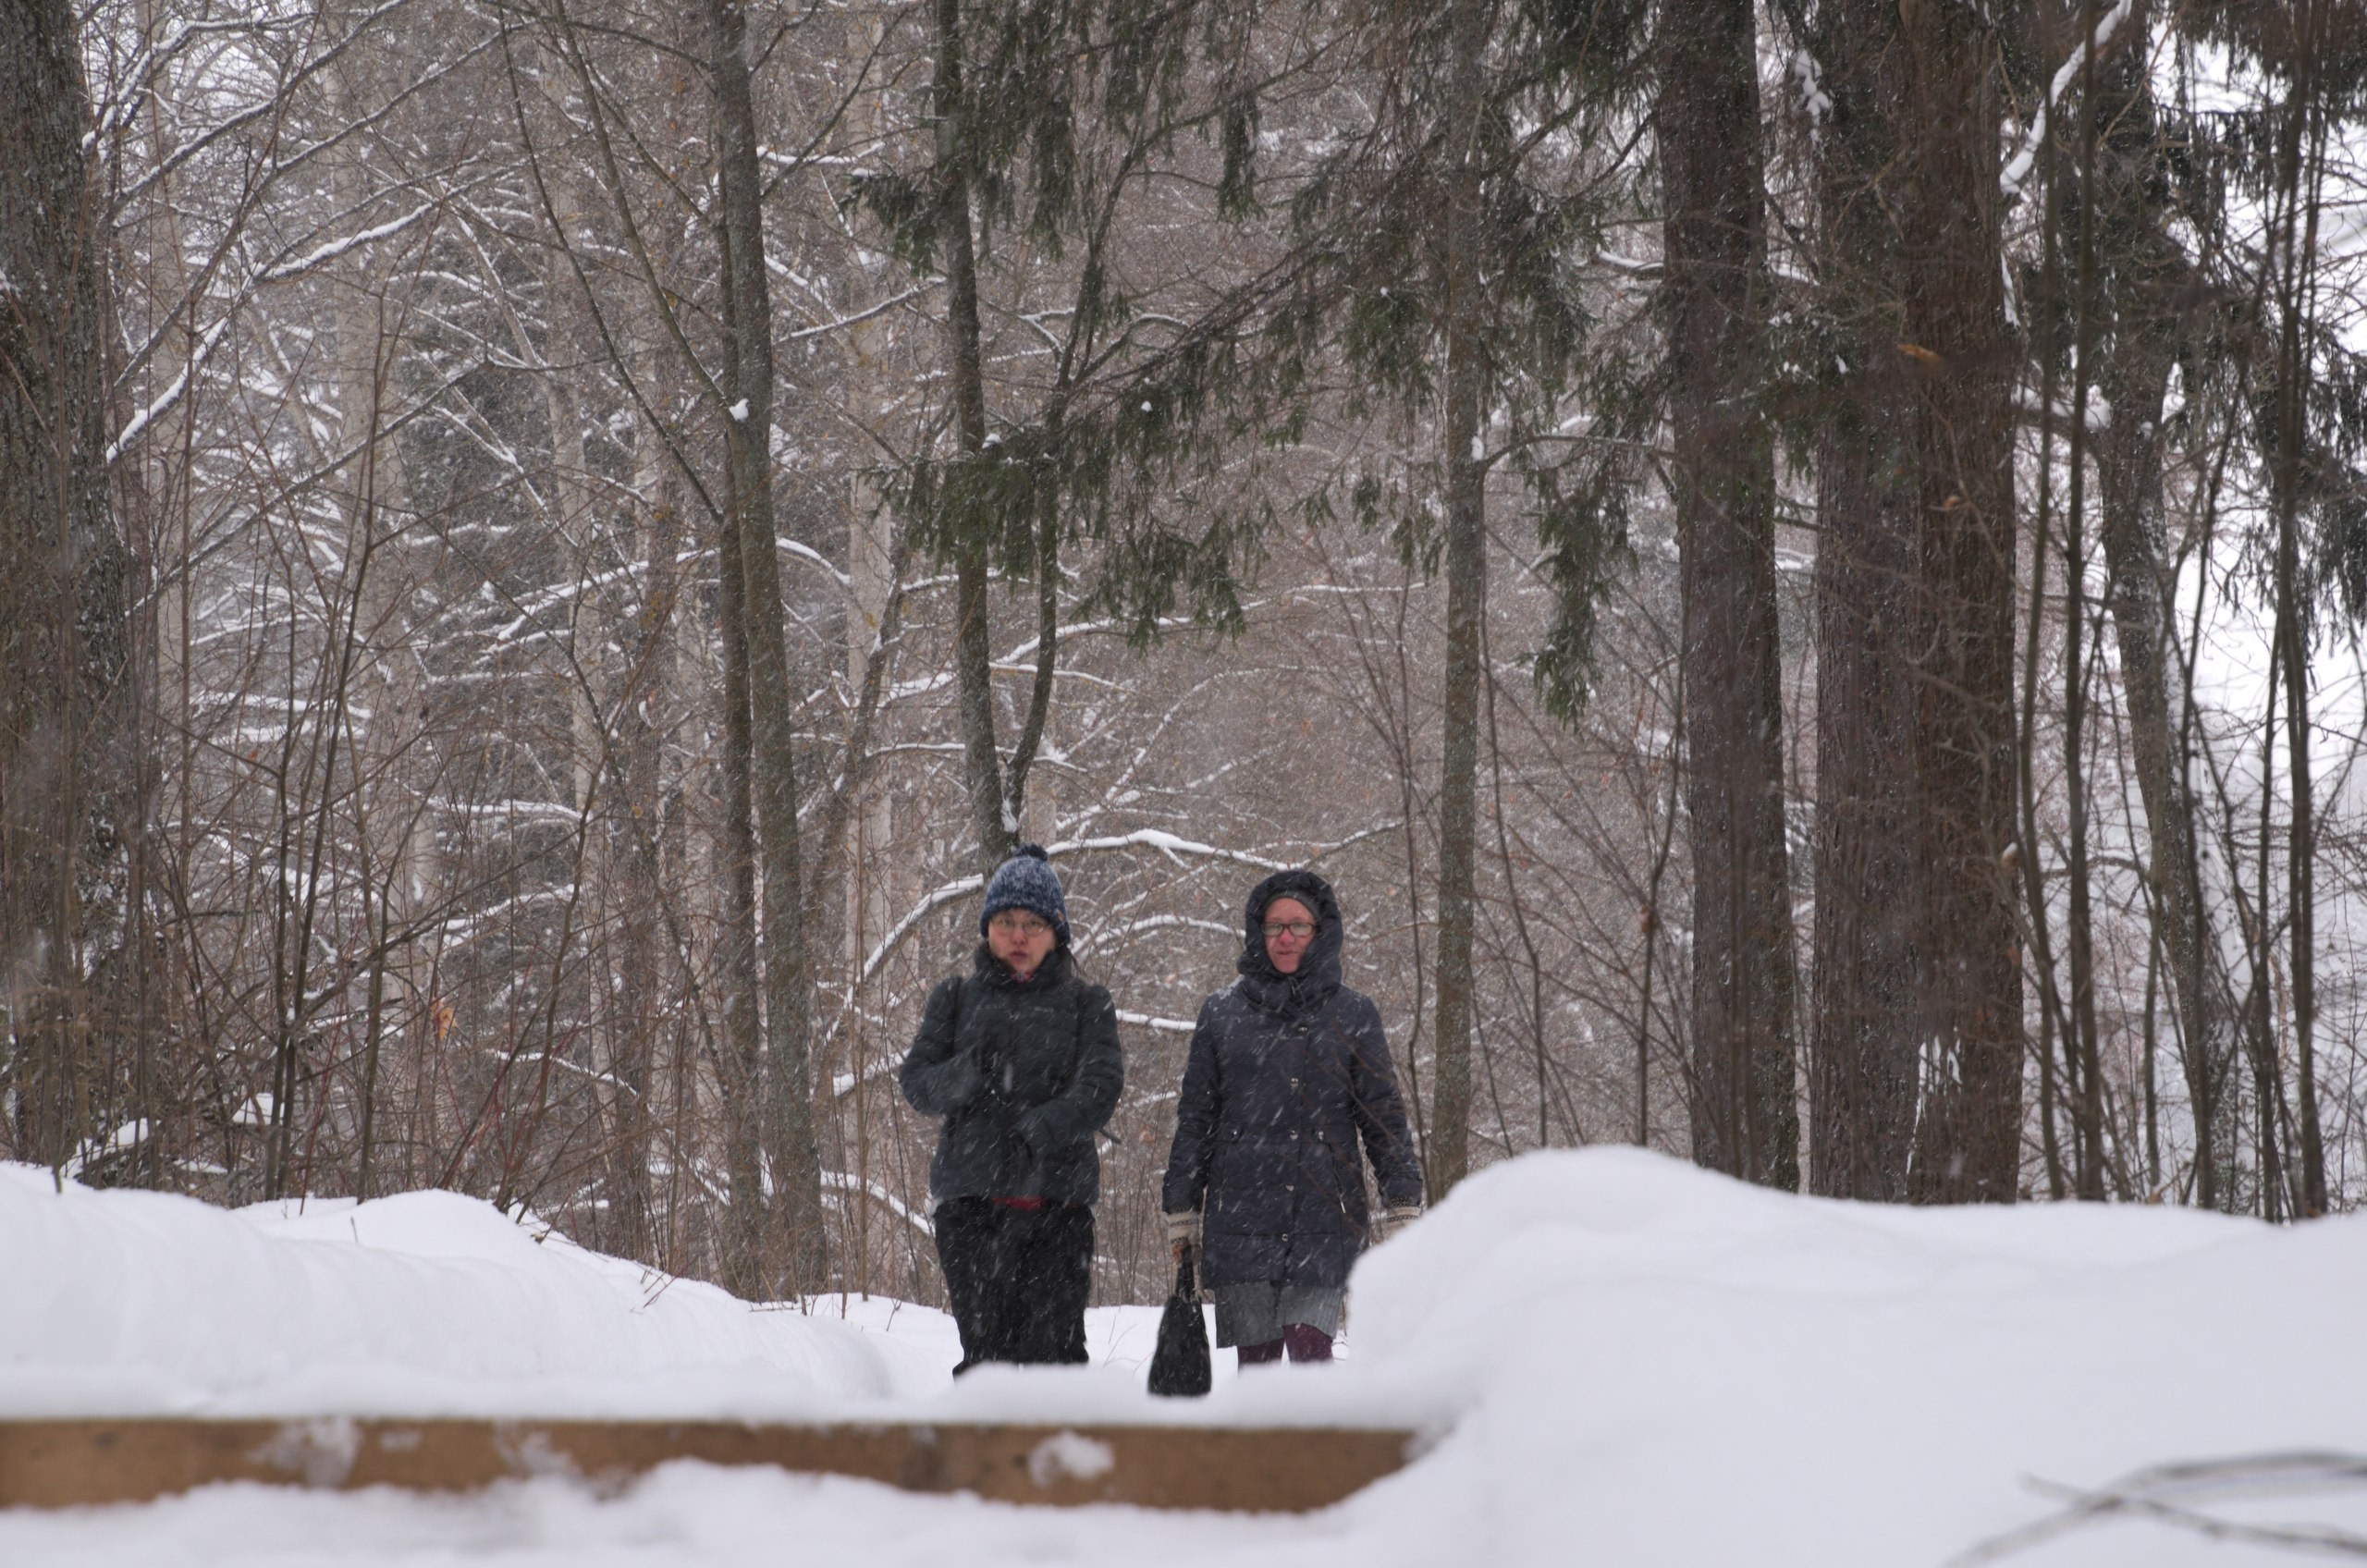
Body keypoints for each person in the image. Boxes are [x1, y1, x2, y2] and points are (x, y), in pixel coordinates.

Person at [1160, 868, 1424, 1366]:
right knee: (1257, 1371)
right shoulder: (1220, 1013)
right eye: (1274, 926)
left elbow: (1381, 1112)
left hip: (1325, 1213)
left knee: (1311, 1361)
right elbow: (1196, 1115)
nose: (1285, 937)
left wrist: (1402, 1198)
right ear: (1256, 933)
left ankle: (1317, 1447)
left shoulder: (1353, 1014)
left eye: (1298, 926)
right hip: (1242, 1214)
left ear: (1320, 933)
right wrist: (1182, 1205)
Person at [900, 845, 1123, 1372]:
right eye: (1005, 921)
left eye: (1032, 923)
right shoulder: (953, 998)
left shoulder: (1087, 1003)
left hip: (1058, 1207)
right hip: (971, 1207)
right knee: (986, 1362)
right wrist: (969, 1069)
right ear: (987, 929)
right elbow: (917, 1084)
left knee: (1055, 1360)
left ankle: (1052, 1455)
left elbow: (1101, 1086)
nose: (1018, 936)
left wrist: (1044, 1127)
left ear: (1057, 932)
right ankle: (984, 1454)